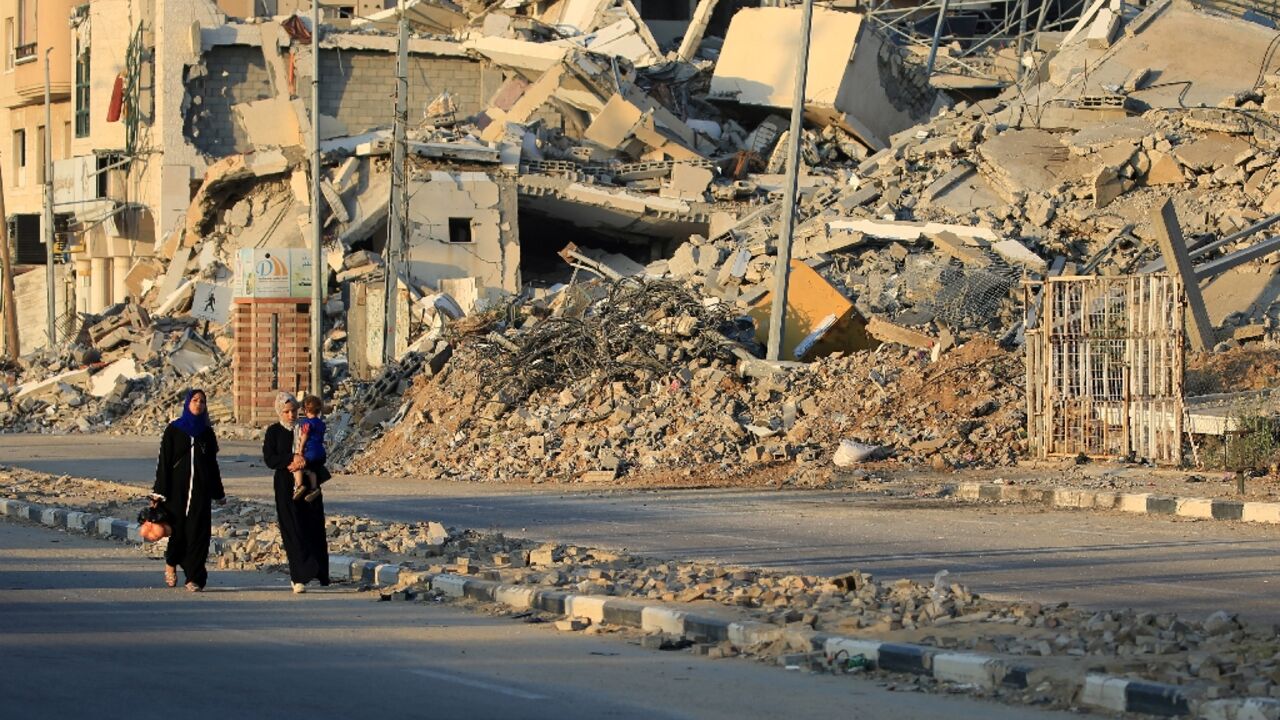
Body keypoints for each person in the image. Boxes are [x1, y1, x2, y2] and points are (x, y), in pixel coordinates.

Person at [151, 389, 226, 592]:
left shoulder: (207, 433)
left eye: (202, 401)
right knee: (179, 532)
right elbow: (164, 462)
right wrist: (158, 492)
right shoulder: (174, 430)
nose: (198, 404)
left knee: (199, 534)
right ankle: (171, 562)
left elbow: (212, 464)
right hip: (177, 491)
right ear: (187, 403)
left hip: (200, 491)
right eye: (194, 400)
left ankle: (194, 578)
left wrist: (218, 492)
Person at [263, 392, 331, 594]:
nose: (291, 415)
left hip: (310, 485)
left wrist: (306, 461)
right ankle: (299, 576)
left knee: (313, 526)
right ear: (279, 412)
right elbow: (270, 459)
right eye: (286, 411)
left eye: (294, 410)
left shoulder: (306, 426)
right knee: (292, 529)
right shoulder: (274, 432)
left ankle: (319, 572)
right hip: (286, 485)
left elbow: (320, 453)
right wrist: (290, 459)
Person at [290, 394, 330, 503]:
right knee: (311, 470)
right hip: (321, 453)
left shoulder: (307, 423)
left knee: (298, 467)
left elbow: (304, 436)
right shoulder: (321, 423)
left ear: (305, 409)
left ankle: (299, 486)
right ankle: (314, 488)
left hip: (310, 452)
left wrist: (300, 450)